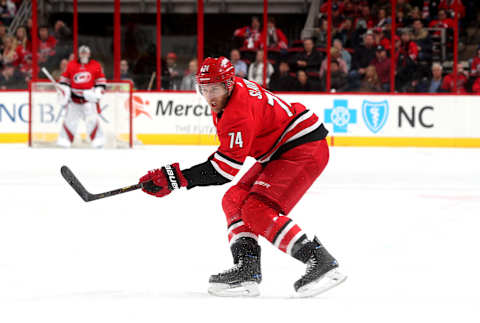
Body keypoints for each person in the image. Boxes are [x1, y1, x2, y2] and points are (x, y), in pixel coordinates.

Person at [138, 56, 346, 297]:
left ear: (228, 84)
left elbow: (224, 170)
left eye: (214, 88)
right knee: (234, 199)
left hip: (303, 148)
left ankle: (319, 260)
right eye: (203, 89)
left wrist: (174, 179)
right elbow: (227, 158)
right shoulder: (231, 93)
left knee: (256, 209)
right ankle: (247, 269)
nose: (209, 96)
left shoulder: (238, 112)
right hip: (284, 148)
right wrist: (177, 177)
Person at [57, 45, 107, 148]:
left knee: (92, 120)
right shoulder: (71, 65)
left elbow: (101, 81)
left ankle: (98, 140)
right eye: (82, 53)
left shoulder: (95, 65)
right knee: (70, 120)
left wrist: (97, 92)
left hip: (88, 101)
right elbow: (64, 80)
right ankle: (64, 140)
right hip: (74, 100)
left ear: (89, 54)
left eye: (86, 53)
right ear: (79, 54)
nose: (84, 55)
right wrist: (64, 89)